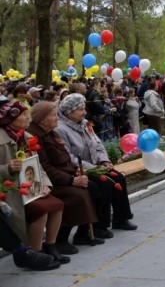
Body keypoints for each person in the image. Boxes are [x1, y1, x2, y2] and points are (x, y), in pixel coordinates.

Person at [56, 94, 138, 237]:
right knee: (103, 182)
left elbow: (98, 144)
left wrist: (104, 161)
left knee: (118, 177)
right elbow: (68, 157)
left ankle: (121, 218)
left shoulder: (85, 124)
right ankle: (100, 225)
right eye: (81, 109)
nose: (85, 112)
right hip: (78, 170)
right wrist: (92, 168)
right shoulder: (61, 130)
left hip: (95, 166)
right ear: (70, 112)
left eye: (84, 108)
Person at [0, 101, 69, 265]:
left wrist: (45, 184)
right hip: (10, 190)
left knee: (57, 204)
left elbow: (37, 165)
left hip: (32, 187)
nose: (27, 117)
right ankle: (34, 252)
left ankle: (50, 245)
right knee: (41, 209)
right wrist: (6, 168)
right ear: (11, 118)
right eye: (23, 114)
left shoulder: (26, 137)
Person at [27, 101, 100, 253]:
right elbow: (45, 167)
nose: (57, 118)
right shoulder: (35, 136)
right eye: (53, 115)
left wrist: (75, 171)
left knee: (93, 188)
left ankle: (82, 233)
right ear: (42, 119)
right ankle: (60, 239)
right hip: (53, 181)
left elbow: (65, 157)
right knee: (77, 195)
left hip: (63, 175)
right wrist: (71, 180)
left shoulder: (51, 132)